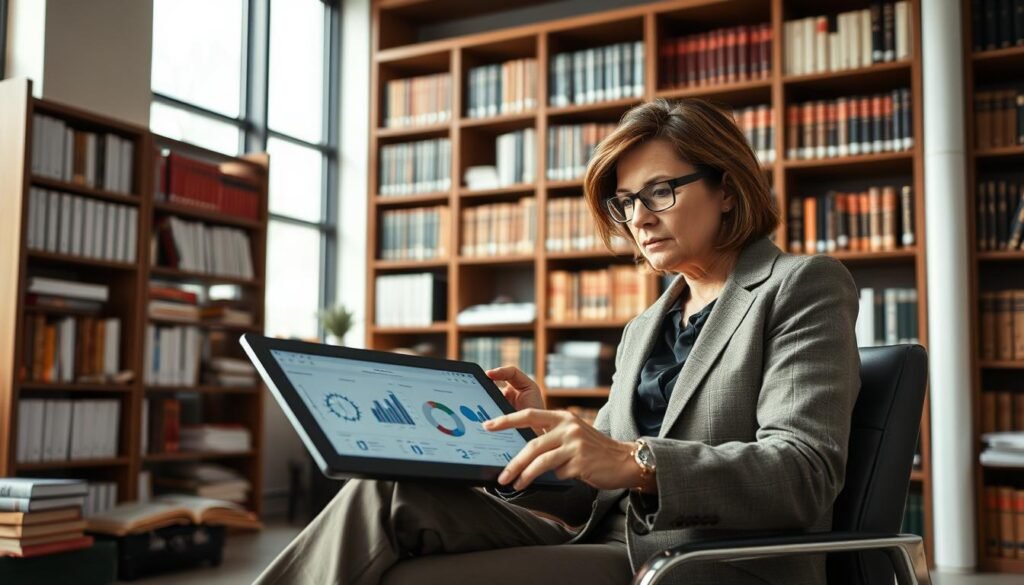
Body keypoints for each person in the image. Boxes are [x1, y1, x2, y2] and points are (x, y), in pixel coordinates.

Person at [252, 98, 860, 585]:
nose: (639, 218)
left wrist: (634, 460)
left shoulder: (800, 285)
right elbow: (597, 490)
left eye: (660, 192)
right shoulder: (645, 326)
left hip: (703, 563)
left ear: (727, 188)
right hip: (604, 541)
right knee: (386, 491)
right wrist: (542, 448)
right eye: (626, 203)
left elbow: (803, 473)